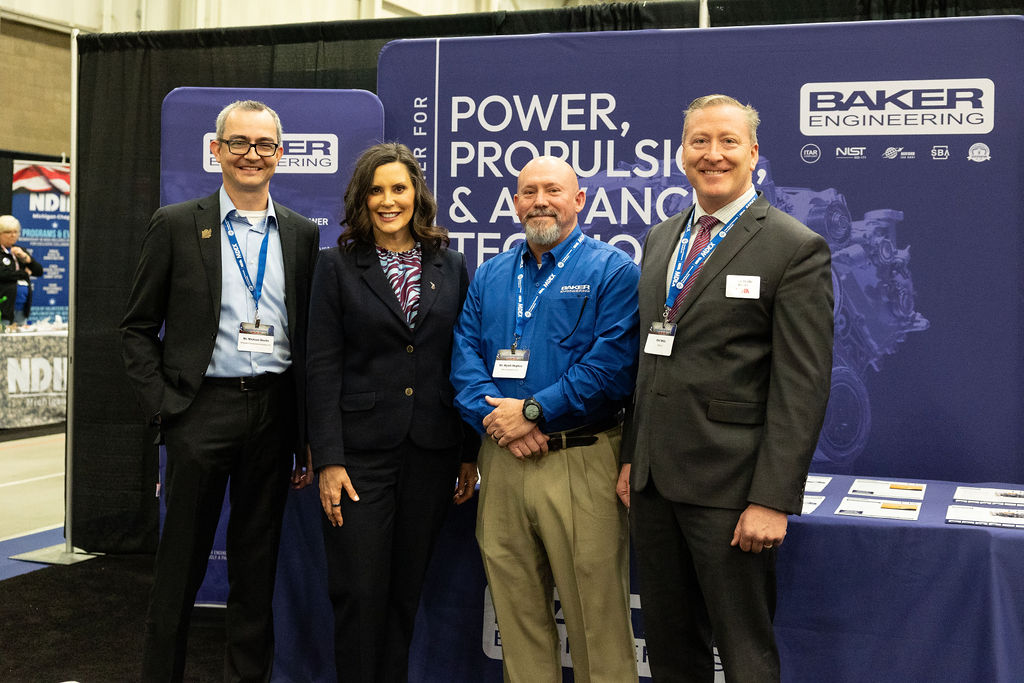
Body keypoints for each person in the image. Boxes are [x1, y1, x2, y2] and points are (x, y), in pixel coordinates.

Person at [620, 94, 834, 682]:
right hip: (655, 485)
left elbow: (802, 386)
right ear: (681, 153)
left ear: (754, 153)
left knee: (745, 655)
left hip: (732, 491)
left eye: (728, 141)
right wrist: (633, 457)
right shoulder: (662, 238)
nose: (712, 154)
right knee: (671, 652)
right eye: (699, 142)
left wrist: (772, 499)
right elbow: (649, 361)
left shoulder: (794, 247)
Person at [121, 99, 320, 682]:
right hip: (199, 411)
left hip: (274, 413)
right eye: (239, 143)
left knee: (256, 570)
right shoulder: (176, 224)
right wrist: (169, 409)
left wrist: (304, 434)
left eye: (264, 145)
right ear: (216, 150)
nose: (251, 154)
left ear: (280, 154)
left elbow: (308, 338)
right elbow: (136, 329)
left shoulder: (302, 234)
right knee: (178, 570)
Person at [451, 156, 640, 682]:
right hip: (501, 462)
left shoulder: (613, 271)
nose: (540, 201)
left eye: (553, 191)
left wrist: (532, 412)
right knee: (517, 621)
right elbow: (464, 359)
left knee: (597, 625)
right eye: (529, 192)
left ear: (578, 200)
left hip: (579, 460)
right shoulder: (490, 274)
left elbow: (611, 367)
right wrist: (500, 424)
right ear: (515, 203)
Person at [306, 142, 479, 682]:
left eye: (399, 188)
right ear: (362, 199)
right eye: (376, 190)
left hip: (431, 451)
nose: (388, 201)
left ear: (416, 194)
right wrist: (328, 459)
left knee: (405, 593)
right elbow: (321, 366)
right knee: (360, 592)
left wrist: (468, 452)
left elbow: (463, 357)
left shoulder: (451, 263)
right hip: (359, 458)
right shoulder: (335, 266)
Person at [0, 215, 43, 326]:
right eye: (8, 232)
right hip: (3, 308)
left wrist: (26, 258)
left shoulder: (19, 250)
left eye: (15, 232)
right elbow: (3, 274)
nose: (13, 235)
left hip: (21, 307)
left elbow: (38, 271)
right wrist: (24, 273)